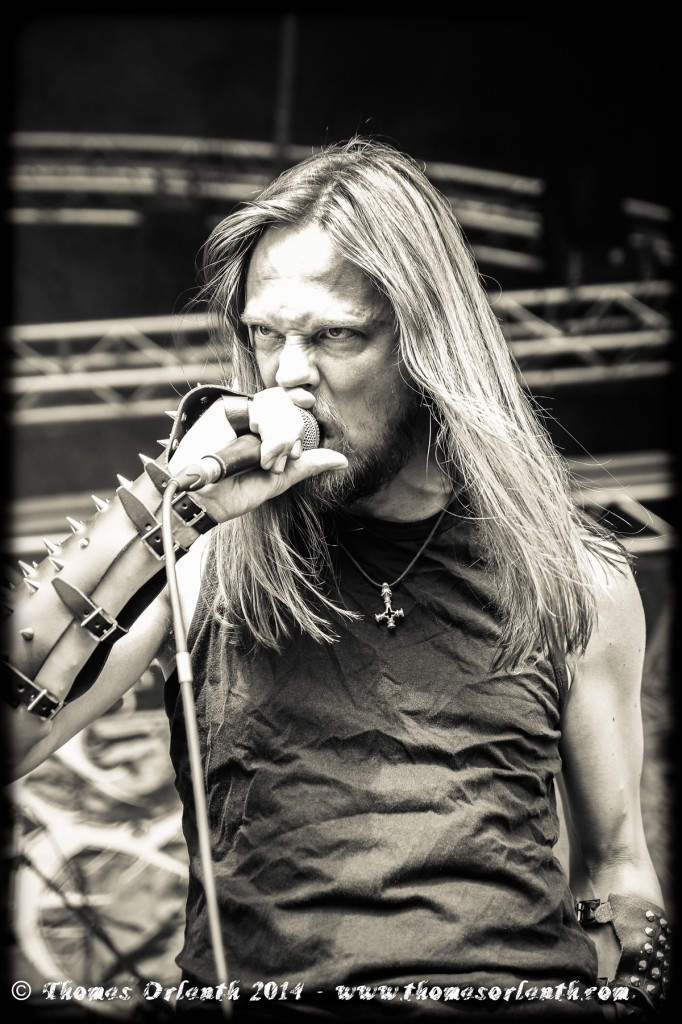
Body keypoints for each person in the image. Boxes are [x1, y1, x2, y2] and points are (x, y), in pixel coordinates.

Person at [3, 138, 671, 1021]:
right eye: (266, 335)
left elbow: (617, 869)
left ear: (429, 346)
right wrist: (166, 503)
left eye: (334, 336)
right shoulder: (204, 556)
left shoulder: (575, 576)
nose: (290, 374)